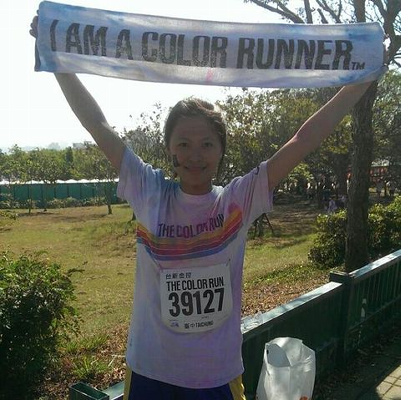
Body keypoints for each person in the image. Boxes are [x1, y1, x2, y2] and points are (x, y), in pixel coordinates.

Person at [30, 14, 383, 400]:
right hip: (150, 370)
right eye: (183, 144)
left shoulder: (237, 200)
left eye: (206, 144)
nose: (194, 155)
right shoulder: (149, 191)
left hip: (215, 375)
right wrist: (58, 62)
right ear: (170, 148)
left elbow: (302, 140)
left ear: (221, 150)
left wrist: (361, 82)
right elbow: (98, 126)